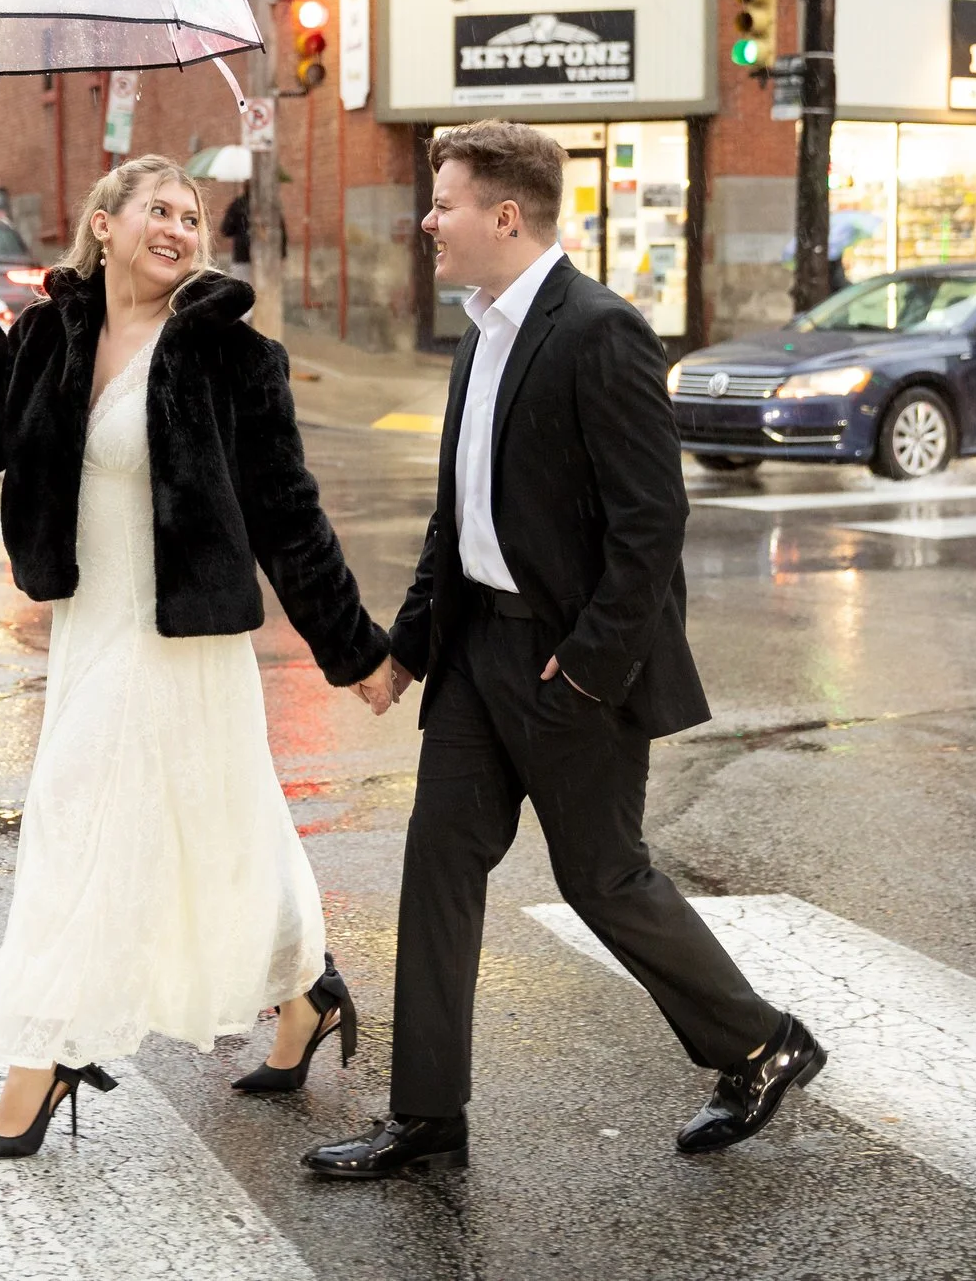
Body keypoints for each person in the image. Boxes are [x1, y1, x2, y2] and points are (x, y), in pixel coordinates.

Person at [303, 121, 824, 1181]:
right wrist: (408, 648)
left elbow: (652, 521)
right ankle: (427, 1114)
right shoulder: (478, 334)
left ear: (505, 215)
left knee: (602, 876)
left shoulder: (601, 330)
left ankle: (762, 1043)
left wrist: (589, 662)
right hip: (474, 656)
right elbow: (459, 519)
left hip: (565, 664)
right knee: (439, 862)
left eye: (444, 203)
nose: (427, 221)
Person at [0, 153, 398, 1161]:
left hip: (179, 635)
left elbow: (287, 514)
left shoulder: (229, 354)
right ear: (104, 224)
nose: (180, 228)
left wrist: (354, 647)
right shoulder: (51, 334)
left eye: (192, 216)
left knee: (77, 823)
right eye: (159, 210)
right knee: (228, 824)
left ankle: (45, 1054)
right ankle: (307, 989)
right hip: (90, 625)